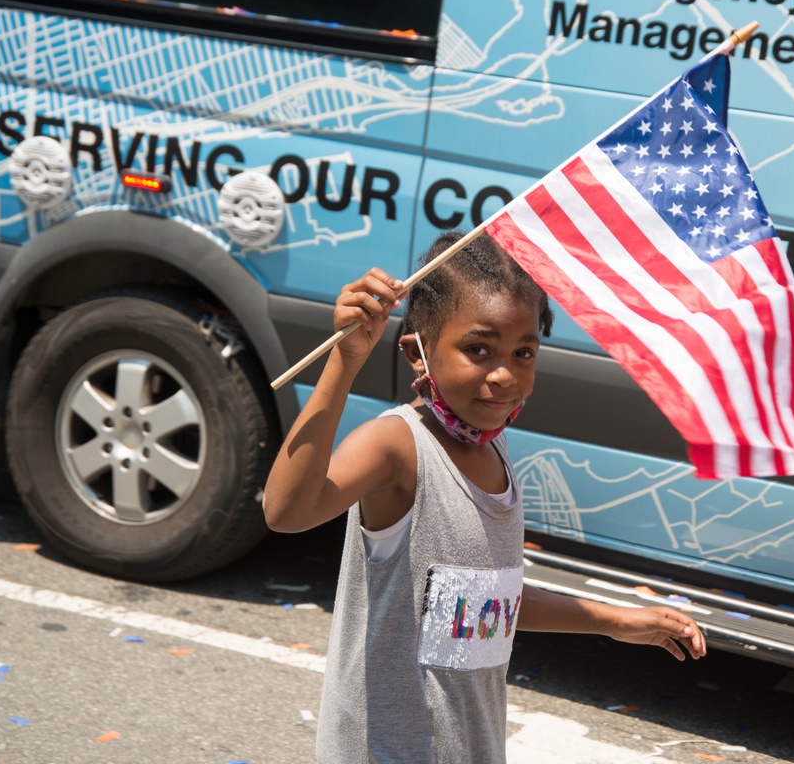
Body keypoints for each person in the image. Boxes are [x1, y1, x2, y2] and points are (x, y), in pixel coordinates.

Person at [263, 232, 707, 763]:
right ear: (417, 353)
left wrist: (614, 620)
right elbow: (285, 512)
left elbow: (481, 606)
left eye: (523, 352)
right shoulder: (398, 446)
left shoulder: (494, 457)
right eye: (478, 349)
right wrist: (345, 359)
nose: (504, 374)